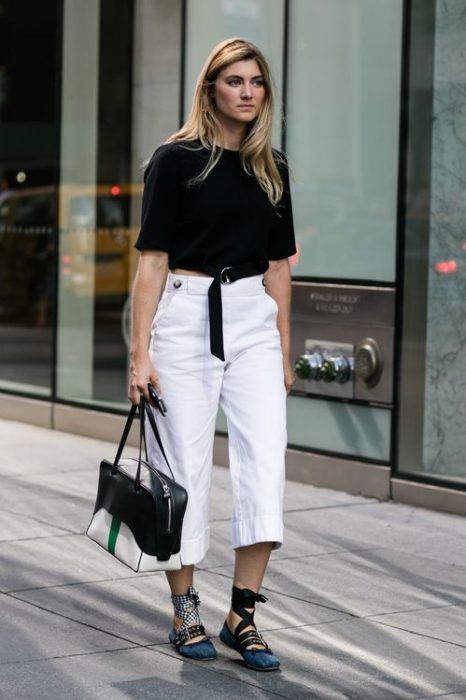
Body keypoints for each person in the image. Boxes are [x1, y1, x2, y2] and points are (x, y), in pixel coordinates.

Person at [129, 37, 296, 672]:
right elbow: (151, 262)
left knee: (264, 465)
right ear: (210, 89)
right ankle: (185, 609)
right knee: (185, 468)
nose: (248, 91)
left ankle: (242, 616)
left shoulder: (272, 166)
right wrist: (138, 353)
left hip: (252, 318)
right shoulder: (173, 162)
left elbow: (279, 266)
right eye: (235, 81)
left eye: (257, 82)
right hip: (187, 315)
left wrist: (283, 349)